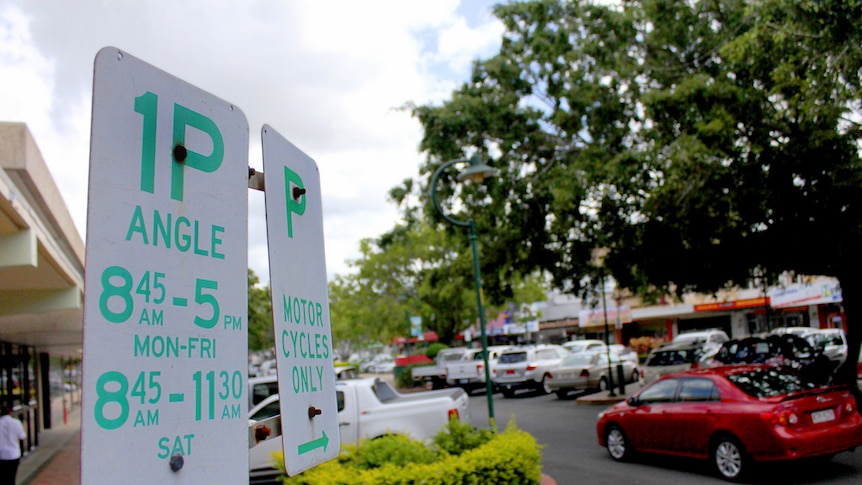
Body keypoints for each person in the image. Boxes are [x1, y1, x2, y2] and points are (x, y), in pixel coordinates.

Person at [0, 405, 26, 485]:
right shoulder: (16, 422)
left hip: (1, 454)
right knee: (11, 477)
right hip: (14, 454)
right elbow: (22, 436)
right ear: (10, 413)